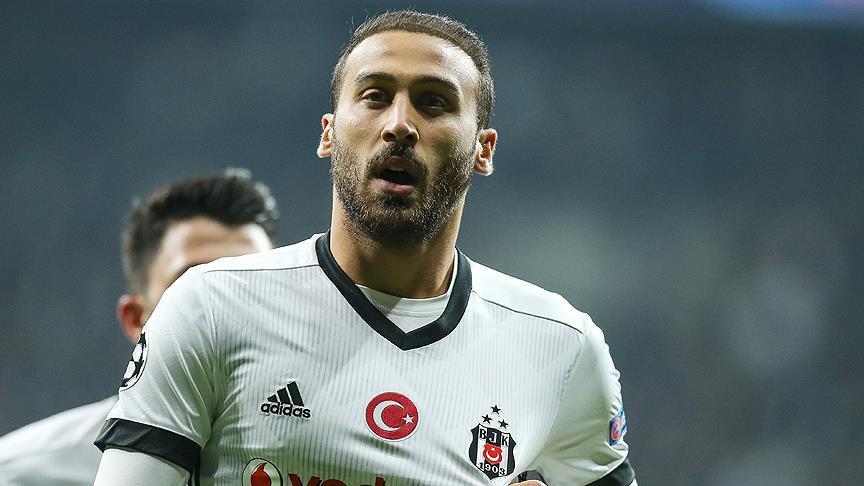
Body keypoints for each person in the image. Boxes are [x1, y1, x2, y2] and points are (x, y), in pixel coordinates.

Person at [94, 10, 637, 486]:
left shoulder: (561, 347)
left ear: (483, 149)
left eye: (433, 102)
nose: (399, 125)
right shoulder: (210, 307)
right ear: (329, 133)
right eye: (375, 96)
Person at [0, 170, 278, 485]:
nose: (232, 310)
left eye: (255, 284)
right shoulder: (21, 475)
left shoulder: (322, 457)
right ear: (136, 318)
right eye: (192, 288)